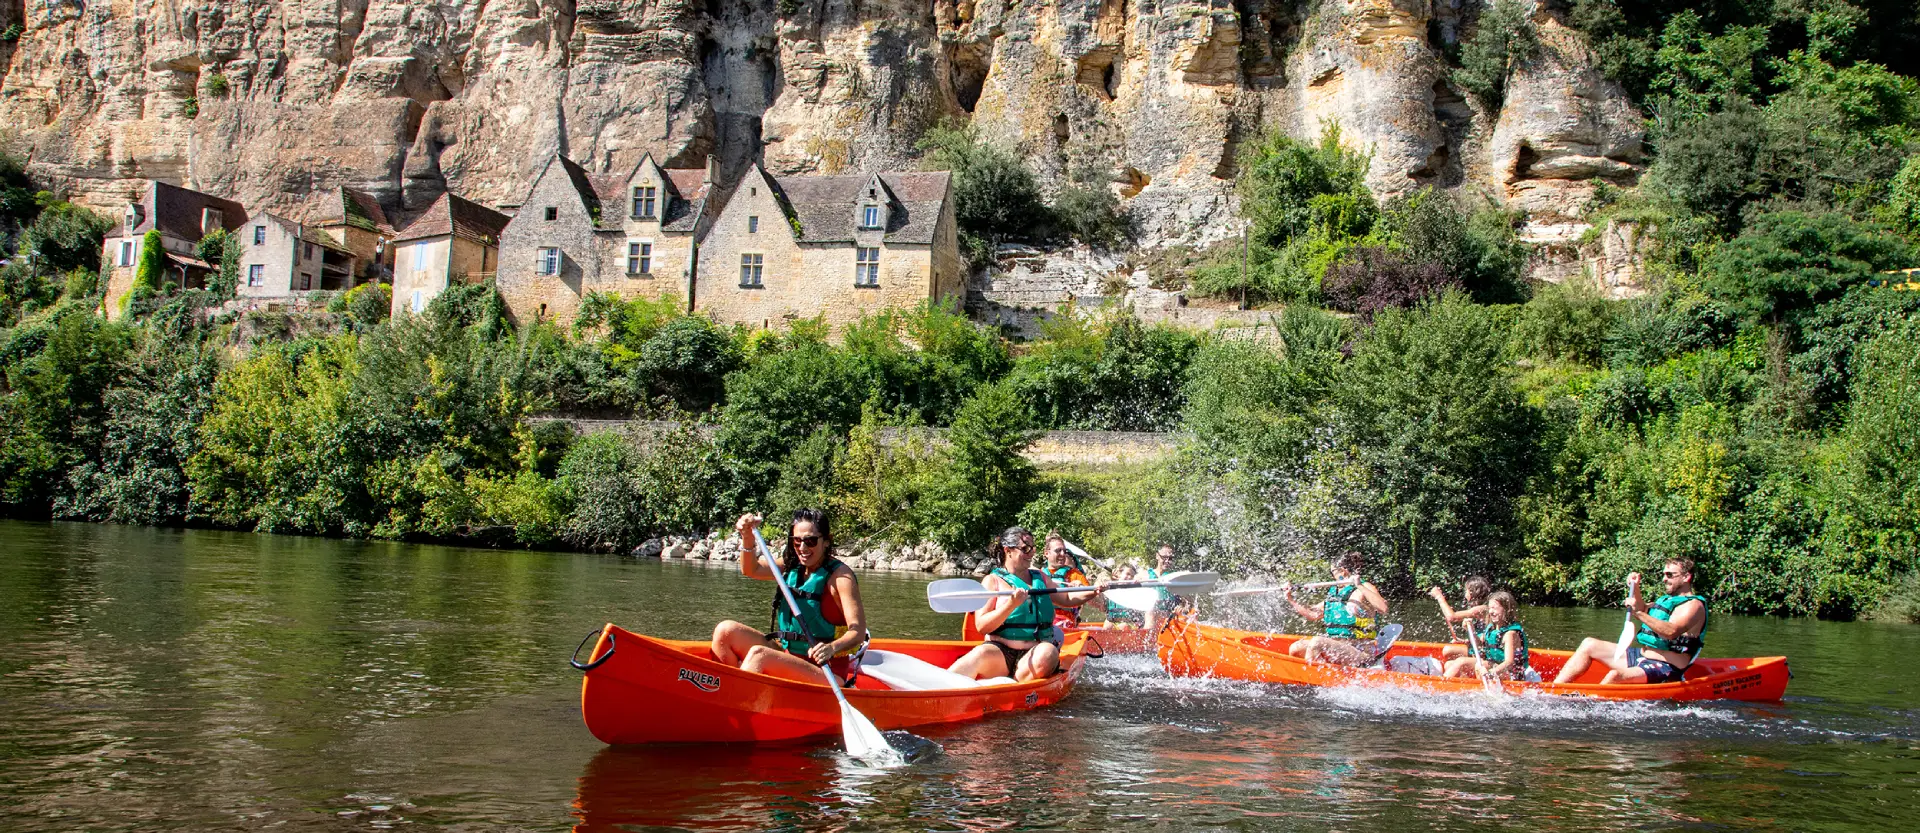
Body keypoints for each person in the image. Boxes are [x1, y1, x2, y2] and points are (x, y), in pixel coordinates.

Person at [709, 509, 869, 685]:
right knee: (725, 631)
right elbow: (751, 569)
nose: (803, 548)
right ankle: (720, 691)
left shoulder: (840, 577)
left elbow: (858, 632)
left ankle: (735, 702)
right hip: (788, 658)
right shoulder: (792, 565)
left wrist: (831, 648)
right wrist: (747, 536)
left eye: (810, 541)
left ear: (826, 542)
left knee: (759, 655)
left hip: (826, 672)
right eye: (797, 541)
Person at [948, 527, 1103, 682]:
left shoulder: (1040, 578)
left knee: (1048, 653)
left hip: (1034, 652)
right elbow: (982, 626)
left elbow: (1067, 599)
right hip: (1000, 653)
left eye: (1033, 548)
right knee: (979, 654)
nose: (1031, 553)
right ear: (1008, 550)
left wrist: (1095, 591)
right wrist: (1011, 604)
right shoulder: (992, 581)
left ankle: (1014, 686)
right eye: (1026, 549)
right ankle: (941, 685)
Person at [1553, 558, 1708, 685]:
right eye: (1664, 574)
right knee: (1589, 644)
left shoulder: (1693, 606)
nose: (1664, 579)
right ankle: (1554, 690)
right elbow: (1643, 609)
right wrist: (1636, 586)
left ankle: (1592, 706)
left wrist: (1638, 613)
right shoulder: (1667, 600)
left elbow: (1671, 632)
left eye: (1669, 575)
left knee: (1615, 676)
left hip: (1667, 667)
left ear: (1686, 577)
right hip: (1641, 656)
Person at [1285, 551, 1391, 666]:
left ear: (1343, 571)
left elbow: (1383, 608)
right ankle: (1310, 678)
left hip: (1360, 653)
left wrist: (1359, 585)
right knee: (1296, 647)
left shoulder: (1364, 587)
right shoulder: (1335, 593)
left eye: (1333, 572)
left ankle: (1316, 681)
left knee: (1317, 642)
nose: (1332, 576)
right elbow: (1313, 614)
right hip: (1338, 649)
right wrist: (1291, 599)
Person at [1445, 591, 1529, 681]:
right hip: (1495, 665)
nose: (1491, 612)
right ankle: (1461, 688)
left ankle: (1441, 686)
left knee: (1468, 663)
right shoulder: (1492, 628)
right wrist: (1472, 630)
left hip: (1513, 676)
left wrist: (1491, 673)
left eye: (1494, 608)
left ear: (1506, 609)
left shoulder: (1510, 634)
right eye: (1489, 608)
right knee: (1449, 664)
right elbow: (1480, 648)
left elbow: (1509, 663)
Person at [1428, 576, 1492, 663]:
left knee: (1448, 651)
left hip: (1485, 653)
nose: (1465, 593)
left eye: (1466, 590)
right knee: (1448, 658)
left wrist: (1439, 597)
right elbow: (1481, 636)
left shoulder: (1482, 609)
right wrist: (1463, 641)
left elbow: (1452, 617)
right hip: (1479, 647)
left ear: (1472, 592)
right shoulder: (1477, 608)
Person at [1042, 532, 1093, 629]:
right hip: (1043, 623)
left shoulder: (1075, 574)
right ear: (1046, 553)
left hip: (1066, 625)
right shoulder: (1038, 575)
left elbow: (1095, 600)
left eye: (1064, 551)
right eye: (1058, 551)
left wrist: (1081, 588)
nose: (1062, 554)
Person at [1102, 563, 1142, 627]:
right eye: (1128, 574)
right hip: (1114, 620)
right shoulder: (1111, 586)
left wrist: (1138, 583)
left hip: (1130, 623)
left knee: (1123, 626)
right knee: (1107, 624)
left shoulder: (1134, 587)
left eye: (1132, 576)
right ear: (1119, 574)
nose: (1129, 577)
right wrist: (1104, 584)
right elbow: (1101, 580)